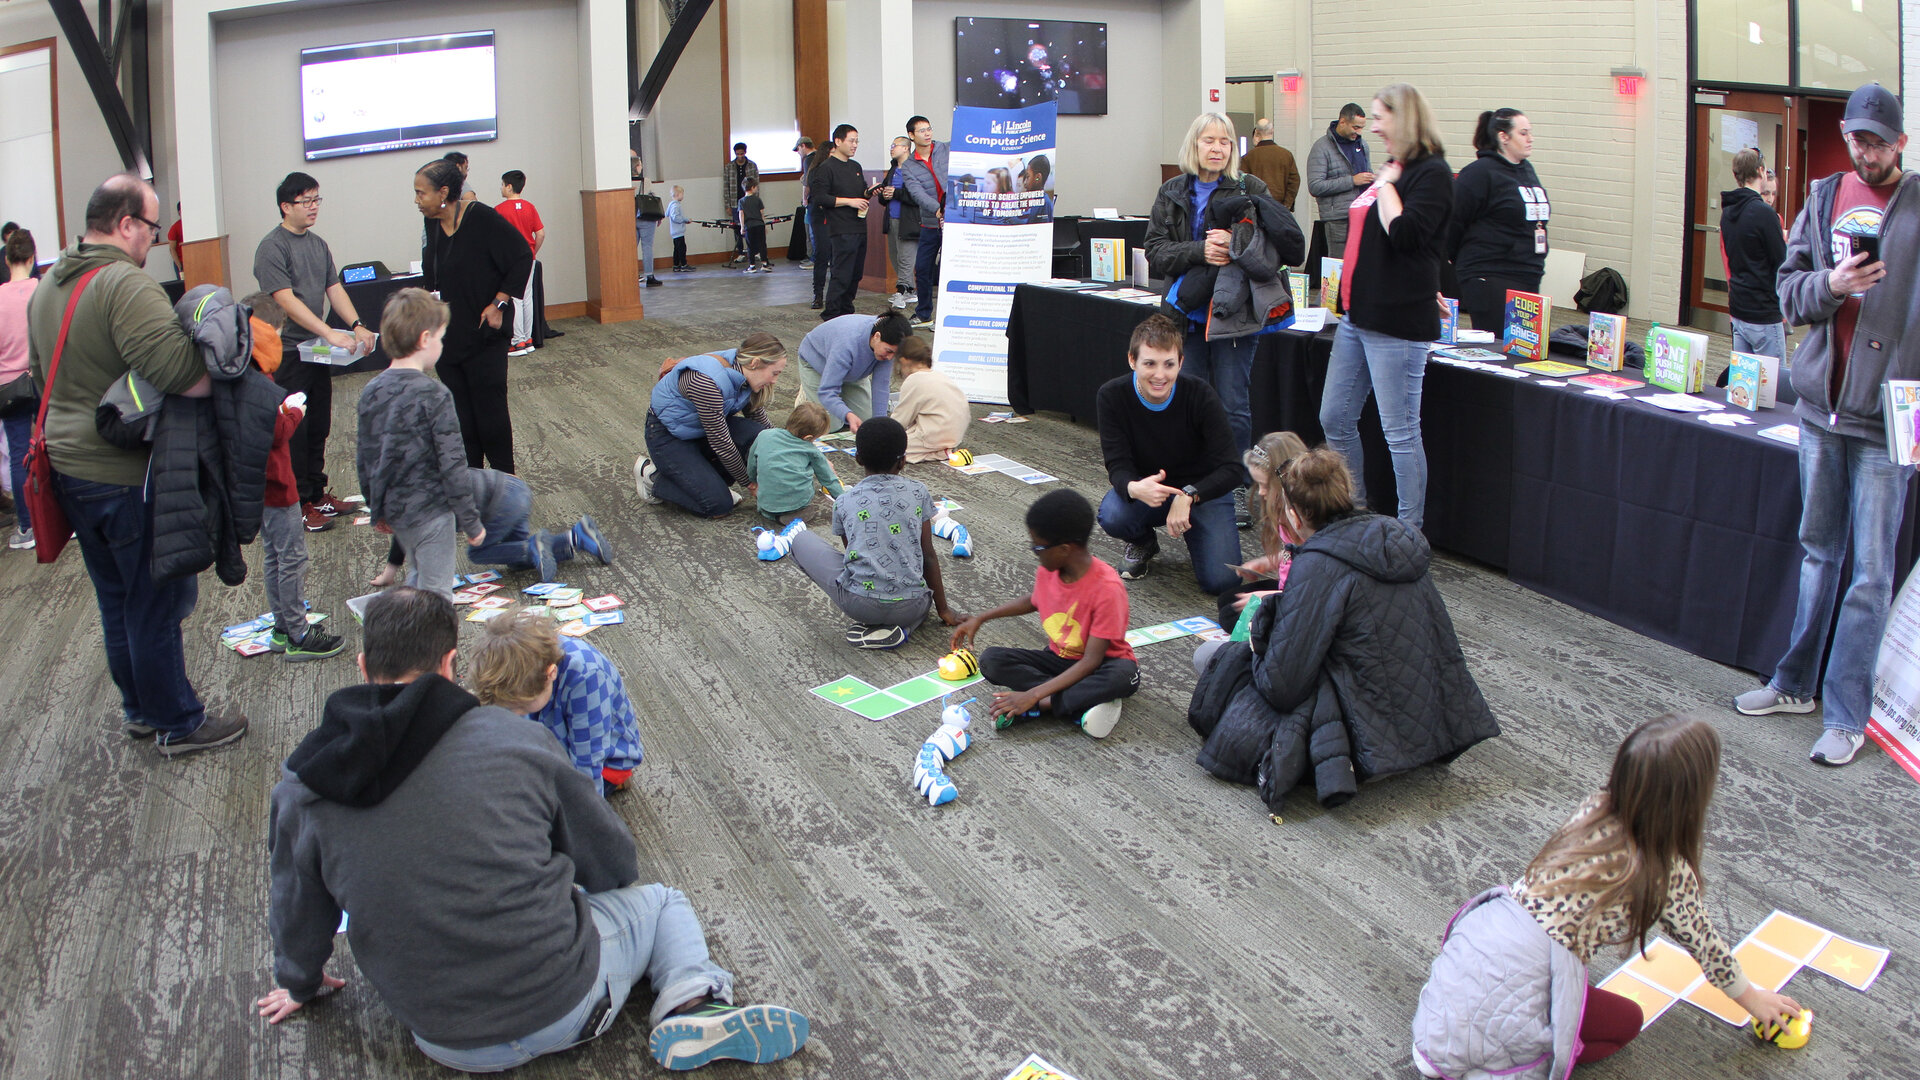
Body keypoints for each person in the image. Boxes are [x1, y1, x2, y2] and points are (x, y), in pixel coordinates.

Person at [256, 587, 811, 1072]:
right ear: (450, 664)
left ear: (360, 665)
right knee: (663, 903)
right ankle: (694, 1002)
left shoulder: (302, 784)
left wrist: (299, 982)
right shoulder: (512, 739)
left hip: (438, 1035)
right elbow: (614, 864)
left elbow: (296, 905)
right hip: (562, 1009)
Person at [1411, 714, 1803, 1077]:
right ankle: (1522, 1056)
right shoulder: (1664, 869)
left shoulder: (1595, 807)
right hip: (1528, 976)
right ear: (1691, 799)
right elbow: (1705, 945)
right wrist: (1754, 1000)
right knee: (1627, 1021)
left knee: (1509, 995)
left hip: (1482, 942)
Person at [1734, 81, 1920, 766]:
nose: (1864, 150)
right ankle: (1794, 684)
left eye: (1876, 139)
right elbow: (1789, 294)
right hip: (1821, 408)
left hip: (1885, 421)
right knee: (1818, 552)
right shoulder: (1822, 199)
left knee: (1871, 575)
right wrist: (1835, 287)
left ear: (1900, 140)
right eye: (1855, 137)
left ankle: (1846, 714)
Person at [28, 173, 246, 756]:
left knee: (116, 598)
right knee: (155, 603)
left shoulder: (50, 283)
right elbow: (186, 376)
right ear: (126, 223)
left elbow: (38, 372)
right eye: (151, 227)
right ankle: (178, 721)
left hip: (69, 467)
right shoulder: (123, 284)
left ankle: (140, 710)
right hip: (123, 472)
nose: (155, 239)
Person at [1186, 448, 1499, 807]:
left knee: (1210, 656)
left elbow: (1282, 687)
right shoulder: (1395, 538)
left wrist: (1261, 635)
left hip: (1363, 735)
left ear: (1295, 512)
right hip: (1430, 720)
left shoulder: (1318, 564)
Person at [1146, 112, 1302, 528]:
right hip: (1184, 316)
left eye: (1225, 142)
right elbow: (1155, 252)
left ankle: (1231, 486)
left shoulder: (1252, 188)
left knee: (1233, 404)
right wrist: (1200, 251)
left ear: (1235, 149)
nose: (1217, 148)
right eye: (1209, 140)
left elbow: (1275, 247)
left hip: (1235, 314)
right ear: (1193, 146)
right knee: (1188, 403)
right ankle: (1189, 483)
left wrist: (1236, 244)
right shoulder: (1172, 191)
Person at [1318, 84, 1453, 529]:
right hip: (1359, 315)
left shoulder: (1429, 173)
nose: (1372, 127)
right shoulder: (1394, 168)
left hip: (1396, 321)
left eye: (1379, 118)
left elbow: (1410, 236)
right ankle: (1354, 513)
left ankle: (1409, 531)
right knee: (1334, 416)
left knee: (1400, 433)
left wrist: (1389, 186)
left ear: (1405, 118)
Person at [950, 488, 1139, 739]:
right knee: (992, 660)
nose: (1034, 551)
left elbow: (1092, 661)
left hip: (1104, 664)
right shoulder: (1050, 568)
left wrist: (1033, 695)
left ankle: (1043, 706)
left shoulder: (1107, 589)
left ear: (1063, 549)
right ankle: (1077, 706)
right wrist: (982, 617)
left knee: (1121, 677)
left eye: (1037, 546)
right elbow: (1034, 600)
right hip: (1058, 661)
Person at [253, 171, 377, 532]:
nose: (313, 208)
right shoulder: (272, 247)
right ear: (285, 206)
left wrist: (355, 324)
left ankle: (316, 491)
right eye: (305, 201)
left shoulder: (318, 244)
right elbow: (285, 299)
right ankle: (299, 503)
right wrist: (328, 331)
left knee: (319, 422)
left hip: (316, 349)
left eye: (316, 200)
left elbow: (333, 287)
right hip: (288, 351)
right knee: (294, 429)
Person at [1094, 313, 1241, 594]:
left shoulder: (1200, 394)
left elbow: (1232, 468)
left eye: (1169, 365)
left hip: (1202, 491)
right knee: (1113, 514)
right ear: (1132, 360)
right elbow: (1117, 464)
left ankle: (1198, 532)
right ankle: (1143, 541)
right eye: (1149, 363)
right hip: (1150, 490)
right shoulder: (1112, 396)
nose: (1160, 375)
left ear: (1181, 363)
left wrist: (1189, 494)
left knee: (1222, 582)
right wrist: (1135, 487)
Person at [786, 416, 958, 650]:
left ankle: (888, 626)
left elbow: (854, 554)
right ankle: (906, 628)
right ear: (903, 461)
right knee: (916, 597)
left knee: (800, 539)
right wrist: (944, 610)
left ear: (857, 458)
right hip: (914, 605)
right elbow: (928, 555)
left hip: (861, 606)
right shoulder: (918, 492)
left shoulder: (844, 501)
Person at [356, 288, 482, 599]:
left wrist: (377, 508)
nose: (441, 344)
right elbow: (453, 465)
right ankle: (431, 645)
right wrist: (470, 520)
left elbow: (366, 458)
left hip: (398, 512)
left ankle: (413, 636)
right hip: (433, 513)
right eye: (440, 338)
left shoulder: (371, 391)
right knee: (437, 594)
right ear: (425, 339)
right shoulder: (435, 395)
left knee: (420, 580)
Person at [241, 291, 343, 662]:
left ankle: (283, 627)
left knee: (274, 555)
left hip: (257, 484)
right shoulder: (260, 383)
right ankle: (298, 632)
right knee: (292, 558)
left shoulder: (241, 372)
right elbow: (275, 432)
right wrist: (294, 414)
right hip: (278, 485)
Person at [414, 157, 534, 474]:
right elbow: (436, 273)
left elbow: (523, 255)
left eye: (420, 193)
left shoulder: (481, 217)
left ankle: (504, 481)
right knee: (460, 414)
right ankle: (472, 480)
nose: (416, 201)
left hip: (484, 333)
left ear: (443, 192)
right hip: (448, 336)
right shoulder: (432, 223)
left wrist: (500, 302)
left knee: (489, 410)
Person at [472, 609, 646, 796]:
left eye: (521, 707)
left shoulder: (587, 676)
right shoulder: (518, 668)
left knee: (537, 801)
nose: (513, 715)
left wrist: (586, 816)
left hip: (605, 762)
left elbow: (588, 762)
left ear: (550, 674)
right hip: (552, 744)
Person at [372, 467, 611, 588]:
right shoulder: (410, 495)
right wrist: (389, 574)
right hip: (514, 489)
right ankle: (578, 537)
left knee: (477, 552)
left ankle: (533, 546)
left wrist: (413, 589)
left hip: (501, 503)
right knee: (517, 560)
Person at [636, 333, 787, 518]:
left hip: (701, 429)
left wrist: (796, 450)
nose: (774, 381)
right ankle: (653, 478)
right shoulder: (707, 382)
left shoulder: (744, 372)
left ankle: (705, 483)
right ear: (755, 363)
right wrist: (750, 484)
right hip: (668, 436)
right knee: (717, 504)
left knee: (759, 436)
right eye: (775, 373)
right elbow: (721, 444)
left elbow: (762, 424)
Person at [1201, 430, 1310, 651]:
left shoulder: (1306, 519)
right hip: (1287, 586)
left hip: (1304, 601)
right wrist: (1269, 562)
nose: (1261, 493)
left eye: (1266, 486)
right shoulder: (1283, 513)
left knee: (1232, 615)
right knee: (1228, 601)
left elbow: (1314, 585)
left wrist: (1271, 596)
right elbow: (1295, 554)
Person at [1448, 108, 1550, 331]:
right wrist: (1457, 258)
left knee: (1522, 348)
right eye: (1523, 133)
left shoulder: (1526, 170)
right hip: (1490, 272)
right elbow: (1452, 221)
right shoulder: (1479, 173)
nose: (1530, 138)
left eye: (1530, 132)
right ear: (1504, 137)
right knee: (1496, 347)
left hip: (1528, 272)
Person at [1719, 148, 1789, 365]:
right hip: (1763, 312)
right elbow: (1781, 263)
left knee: (1744, 386)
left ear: (1735, 175)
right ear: (1761, 170)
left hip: (1738, 309)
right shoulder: (1765, 214)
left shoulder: (1728, 212)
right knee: (1771, 387)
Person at [795, 311, 912, 433]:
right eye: (888, 351)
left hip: (854, 372)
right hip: (818, 367)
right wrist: (848, 414)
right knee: (829, 425)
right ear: (876, 336)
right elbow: (827, 391)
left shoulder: (888, 347)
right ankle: (806, 395)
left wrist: (880, 425)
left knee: (867, 422)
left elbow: (881, 386)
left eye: (896, 354)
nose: (890, 358)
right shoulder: (846, 344)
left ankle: (841, 394)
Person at [0, 227, 39, 550]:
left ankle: (27, 527)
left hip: (9, 388)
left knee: (17, 456)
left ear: (7, 258)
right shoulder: (43, 291)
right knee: (51, 447)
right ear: (31, 257)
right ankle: (65, 519)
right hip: (42, 381)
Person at [746, 400, 842, 528]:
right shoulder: (811, 450)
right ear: (808, 437)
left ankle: (770, 514)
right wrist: (844, 501)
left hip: (766, 501)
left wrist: (753, 481)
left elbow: (752, 463)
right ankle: (795, 511)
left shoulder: (764, 435)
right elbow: (829, 480)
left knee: (768, 491)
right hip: (798, 502)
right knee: (807, 479)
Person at [810, 124, 872, 321]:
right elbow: (820, 198)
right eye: (851, 141)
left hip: (859, 226)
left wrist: (870, 192)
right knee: (842, 274)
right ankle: (832, 314)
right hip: (840, 228)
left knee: (856, 274)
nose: (855, 145)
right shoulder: (826, 168)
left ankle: (847, 311)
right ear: (838, 141)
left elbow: (860, 191)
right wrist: (849, 202)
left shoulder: (855, 167)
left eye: (857, 141)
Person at [1306, 104, 1375, 252]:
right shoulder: (1321, 147)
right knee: (1339, 268)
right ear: (1342, 122)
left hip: (1363, 215)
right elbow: (1315, 186)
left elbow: (1367, 175)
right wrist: (1352, 181)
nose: (1359, 132)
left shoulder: (1362, 145)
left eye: (1362, 127)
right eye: (1355, 127)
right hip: (1338, 220)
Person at [902, 116, 949, 330]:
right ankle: (923, 314)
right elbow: (916, 193)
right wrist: (937, 209)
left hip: (956, 221)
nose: (927, 133)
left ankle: (949, 317)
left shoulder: (946, 149)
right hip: (931, 222)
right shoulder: (909, 165)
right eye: (921, 131)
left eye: (929, 129)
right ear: (912, 136)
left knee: (951, 270)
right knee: (922, 268)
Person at [892, 336, 969, 462]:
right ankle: (940, 451)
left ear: (904, 361)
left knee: (887, 448)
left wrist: (882, 434)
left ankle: (938, 453)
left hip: (933, 436)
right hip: (955, 436)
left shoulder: (914, 380)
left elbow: (900, 420)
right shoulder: (940, 376)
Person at [495, 170, 546, 356]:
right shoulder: (530, 207)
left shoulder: (499, 210)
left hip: (510, 259)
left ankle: (517, 342)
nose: (501, 187)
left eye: (502, 184)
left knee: (515, 298)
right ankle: (528, 339)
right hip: (528, 257)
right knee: (527, 298)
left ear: (509, 186)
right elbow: (540, 233)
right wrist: (533, 252)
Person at [880, 136, 919, 308]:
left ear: (906, 148)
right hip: (892, 218)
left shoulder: (915, 169)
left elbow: (917, 196)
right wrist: (883, 194)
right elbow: (885, 192)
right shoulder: (893, 168)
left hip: (909, 220)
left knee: (906, 257)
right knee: (894, 255)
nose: (891, 148)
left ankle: (901, 292)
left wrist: (895, 193)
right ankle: (910, 290)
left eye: (894, 145)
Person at [1239, 119, 1301, 213]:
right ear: (1272, 131)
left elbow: (1242, 183)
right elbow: (1294, 181)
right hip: (1280, 209)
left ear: (1257, 132)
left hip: (1257, 209)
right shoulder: (1286, 155)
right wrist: (1286, 205)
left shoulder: (1248, 158)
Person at [722, 142, 759, 263]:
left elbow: (756, 184)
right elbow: (726, 186)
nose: (740, 156)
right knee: (737, 228)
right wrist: (727, 205)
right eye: (737, 154)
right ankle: (740, 252)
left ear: (745, 152)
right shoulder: (729, 167)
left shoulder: (752, 166)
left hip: (749, 200)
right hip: (735, 201)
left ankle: (754, 251)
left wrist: (756, 202)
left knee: (752, 226)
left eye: (742, 153)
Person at [632, 150, 663, 287]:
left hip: (630, 218)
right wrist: (659, 216)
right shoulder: (646, 181)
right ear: (637, 166)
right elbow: (652, 197)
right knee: (647, 247)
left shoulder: (625, 182)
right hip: (646, 217)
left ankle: (630, 275)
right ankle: (649, 276)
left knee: (631, 248)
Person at [793, 136, 818, 268]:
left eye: (798, 149)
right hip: (823, 200)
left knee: (813, 232)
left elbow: (807, 182)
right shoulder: (821, 157)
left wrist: (804, 199)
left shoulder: (809, 159)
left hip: (814, 201)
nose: (798, 153)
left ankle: (815, 259)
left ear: (803, 145)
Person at [738, 178, 770, 273]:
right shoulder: (758, 200)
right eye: (756, 187)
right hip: (759, 224)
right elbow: (762, 213)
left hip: (749, 226)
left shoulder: (741, 201)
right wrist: (764, 225)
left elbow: (741, 214)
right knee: (762, 244)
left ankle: (752, 266)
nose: (757, 189)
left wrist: (742, 227)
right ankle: (764, 263)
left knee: (750, 246)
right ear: (752, 188)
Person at [668, 185, 692, 272]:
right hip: (678, 231)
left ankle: (676, 265)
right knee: (682, 248)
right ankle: (683, 264)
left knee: (677, 249)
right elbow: (675, 217)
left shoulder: (671, 205)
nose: (683, 196)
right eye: (682, 194)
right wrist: (685, 220)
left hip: (674, 232)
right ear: (678, 194)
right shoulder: (676, 205)